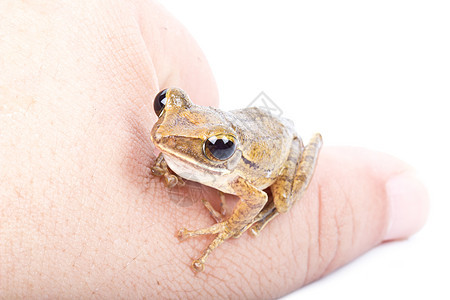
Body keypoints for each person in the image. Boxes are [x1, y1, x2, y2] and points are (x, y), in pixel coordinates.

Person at [0, 1, 428, 298]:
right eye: (163, 103)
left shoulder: (239, 175)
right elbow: (181, 128)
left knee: (277, 197)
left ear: (223, 151)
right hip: (243, 123)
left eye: (216, 147)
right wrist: (172, 158)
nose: (164, 129)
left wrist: (231, 224)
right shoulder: (176, 130)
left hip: (275, 153)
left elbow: (257, 194)